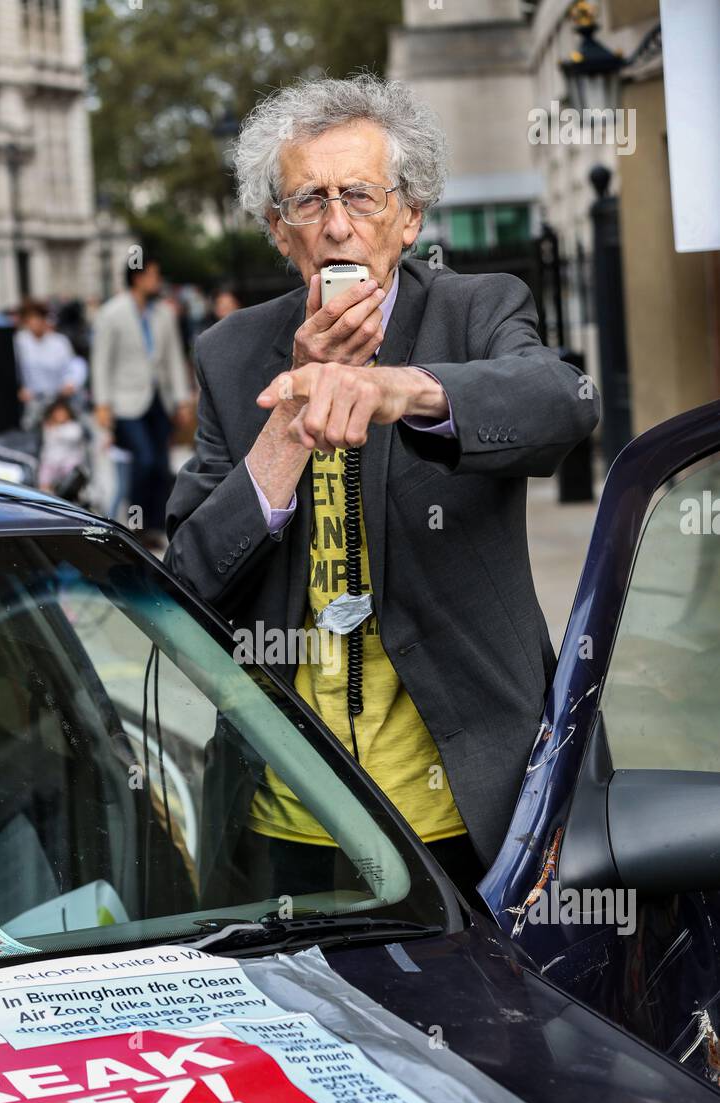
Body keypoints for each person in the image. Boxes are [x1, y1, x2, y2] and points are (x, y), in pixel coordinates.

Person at [164, 74, 600, 907]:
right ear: (277, 231)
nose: (336, 225)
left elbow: (562, 403)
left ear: (410, 217)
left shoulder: (476, 311)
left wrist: (406, 391)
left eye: (361, 196)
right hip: (293, 815)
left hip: (468, 804)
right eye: (308, 201)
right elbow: (190, 577)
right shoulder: (232, 353)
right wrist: (289, 420)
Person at [90, 261, 194, 543]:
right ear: (136, 278)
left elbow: (174, 358)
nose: (156, 279)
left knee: (161, 464)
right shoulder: (111, 313)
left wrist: (183, 401)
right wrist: (102, 404)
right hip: (125, 402)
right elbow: (101, 362)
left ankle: (156, 525)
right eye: (152, 275)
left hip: (159, 401)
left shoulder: (164, 313)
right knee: (144, 460)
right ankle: (136, 524)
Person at [15, 299, 87, 429]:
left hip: (57, 401)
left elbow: (75, 365)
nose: (35, 322)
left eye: (38, 318)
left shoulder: (59, 342)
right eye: (30, 318)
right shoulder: (19, 342)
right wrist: (20, 389)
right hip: (32, 403)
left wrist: (71, 382)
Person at [38, 397, 88, 495]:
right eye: (57, 412)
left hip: (69, 464)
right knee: (45, 480)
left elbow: (74, 436)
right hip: (52, 463)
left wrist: (56, 429)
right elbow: (47, 444)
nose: (60, 415)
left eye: (62, 412)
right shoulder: (48, 426)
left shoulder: (74, 426)